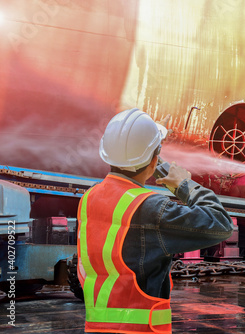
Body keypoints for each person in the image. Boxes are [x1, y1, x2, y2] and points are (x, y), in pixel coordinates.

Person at [77, 108, 234, 333]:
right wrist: (184, 184)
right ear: (153, 160)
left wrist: (153, 151)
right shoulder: (151, 208)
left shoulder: (89, 198)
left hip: (96, 328)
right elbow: (221, 224)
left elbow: (135, 164)